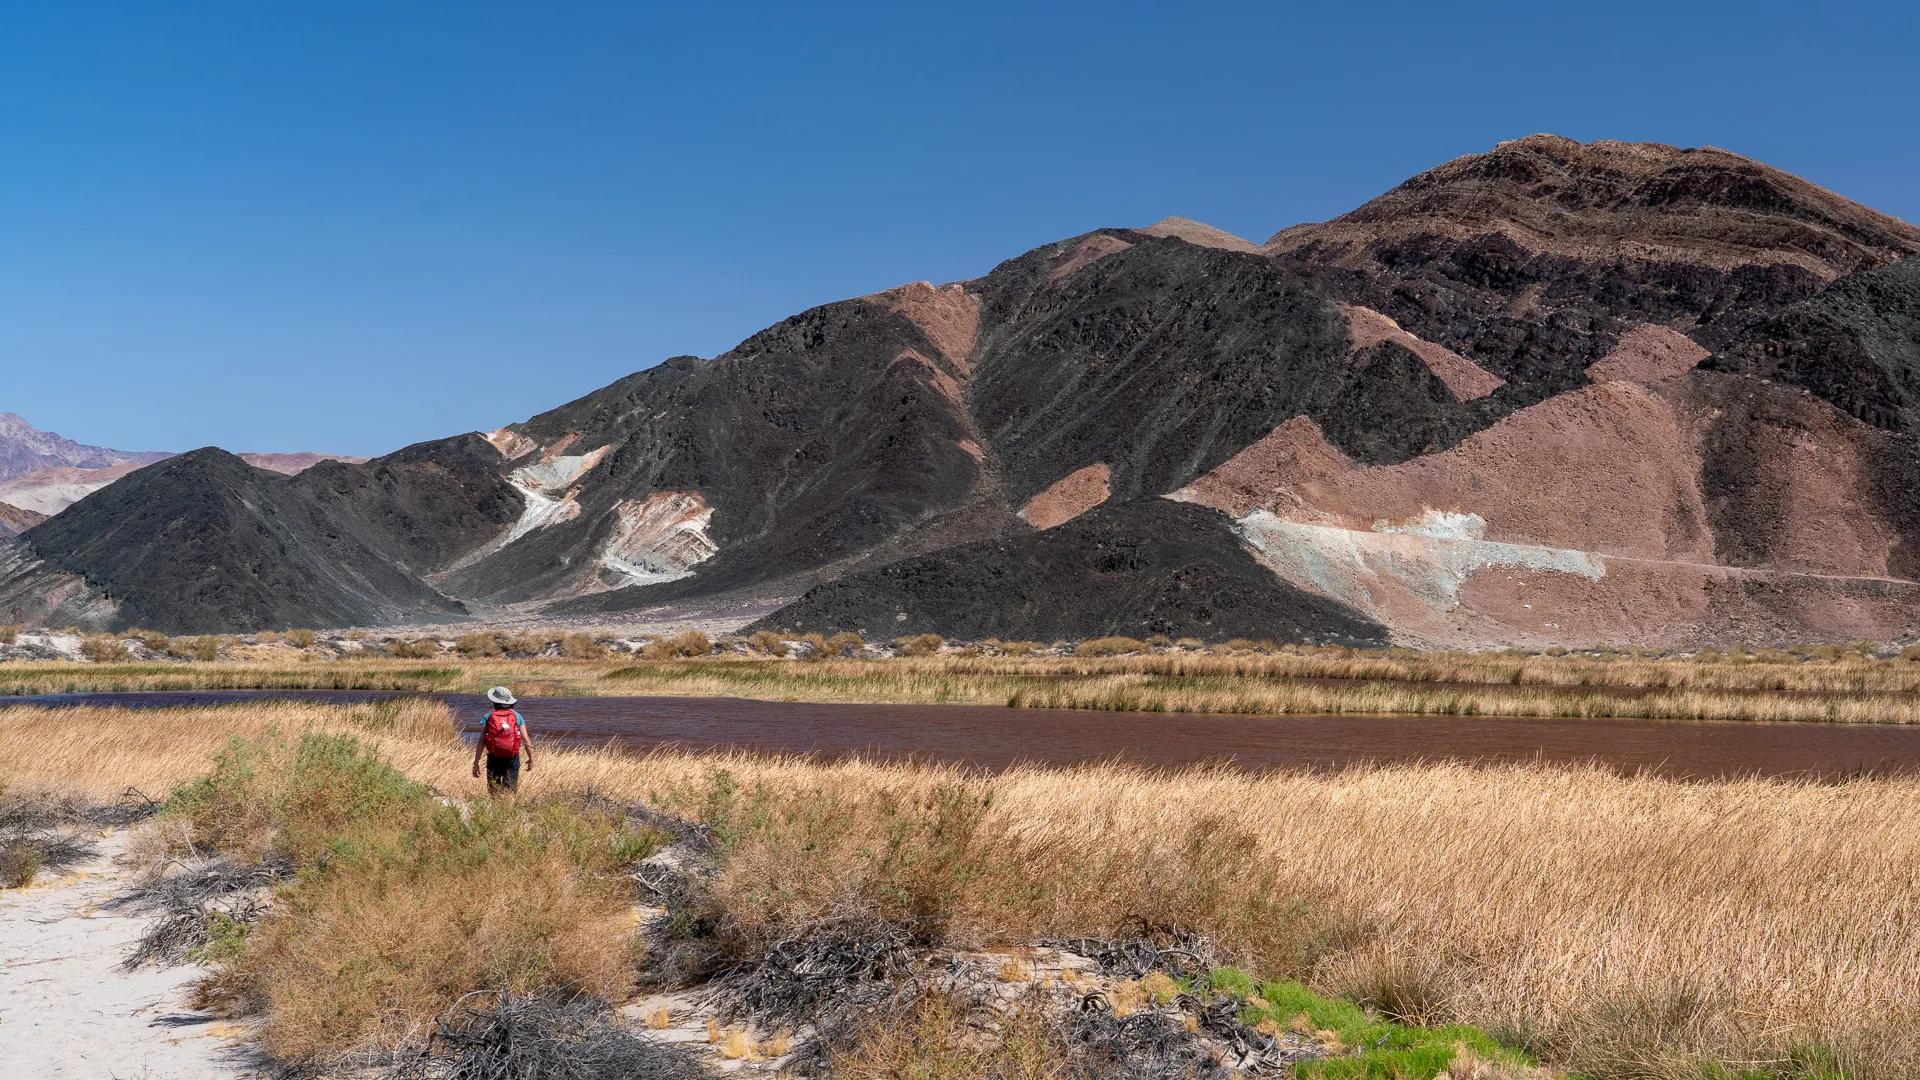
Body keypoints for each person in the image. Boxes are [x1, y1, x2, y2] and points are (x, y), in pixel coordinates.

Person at [472, 686, 534, 794]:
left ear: (493, 701)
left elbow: (482, 741)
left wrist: (476, 762)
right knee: (510, 789)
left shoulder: (488, 716)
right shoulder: (517, 716)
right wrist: (531, 758)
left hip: (493, 757)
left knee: (493, 788)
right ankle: (508, 808)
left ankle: (495, 808)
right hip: (512, 757)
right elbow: (526, 739)